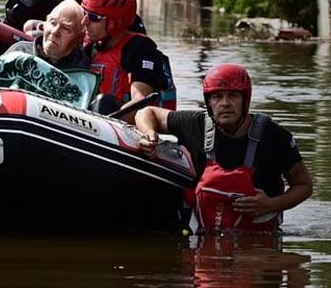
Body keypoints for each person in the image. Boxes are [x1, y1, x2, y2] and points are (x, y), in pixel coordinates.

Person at [133, 63, 313, 232]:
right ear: (209, 102)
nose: (225, 103)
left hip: (259, 246)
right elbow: (146, 112)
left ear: (245, 100)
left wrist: (270, 205)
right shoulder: (196, 125)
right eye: (217, 96)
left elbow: (304, 185)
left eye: (233, 95)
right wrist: (149, 134)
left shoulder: (275, 137)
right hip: (206, 238)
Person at [81, 0, 175, 113]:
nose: (84, 22)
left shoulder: (141, 49)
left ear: (116, 21)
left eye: (93, 17)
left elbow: (140, 102)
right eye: (83, 13)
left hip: (119, 122)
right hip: (86, 117)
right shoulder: (86, 44)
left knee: (103, 104)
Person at [7, 0, 91, 70]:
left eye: (65, 28)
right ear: (44, 24)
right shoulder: (19, 52)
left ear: (79, 38)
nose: (55, 32)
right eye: (53, 23)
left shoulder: (81, 68)